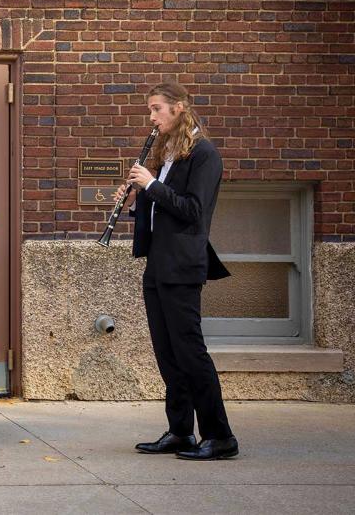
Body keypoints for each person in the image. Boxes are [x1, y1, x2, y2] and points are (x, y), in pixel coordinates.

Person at [115, 82, 238, 460]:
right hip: (158, 264)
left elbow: (193, 210)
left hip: (183, 266)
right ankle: (181, 430)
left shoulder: (204, 154)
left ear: (179, 107)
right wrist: (138, 200)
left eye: (156, 109)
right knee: (167, 354)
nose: (151, 117)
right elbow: (165, 209)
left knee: (190, 352)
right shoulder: (171, 154)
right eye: (150, 110)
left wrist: (150, 183)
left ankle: (220, 436)